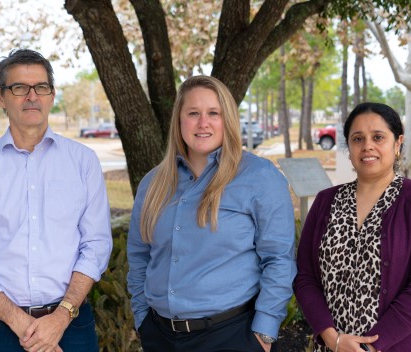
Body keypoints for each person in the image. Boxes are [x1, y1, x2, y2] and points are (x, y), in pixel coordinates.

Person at [0, 49, 113, 352]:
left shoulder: (83, 162)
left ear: (52, 95)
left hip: (70, 325)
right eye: (19, 88)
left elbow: (96, 244)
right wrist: (26, 326)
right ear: (1, 96)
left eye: (41, 87)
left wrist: (60, 318)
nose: (31, 96)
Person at [127, 75, 297, 352]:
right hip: (160, 336)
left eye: (213, 113)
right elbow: (139, 257)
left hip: (232, 335)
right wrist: (142, 319)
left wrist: (264, 332)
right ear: (179, 120)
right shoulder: (153, 184)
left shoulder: (260, 177)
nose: (203, 123)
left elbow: (279, 259)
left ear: (227, 119)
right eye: (193, 113)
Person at [294, 102, 411, 352]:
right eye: (358, 138)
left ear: (397, 143)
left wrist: (367, 348)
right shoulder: (325, 201)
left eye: (378, 137)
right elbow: (305, 277)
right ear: (349, 147)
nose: (367, 145)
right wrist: (331, 337)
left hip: (401, 346)